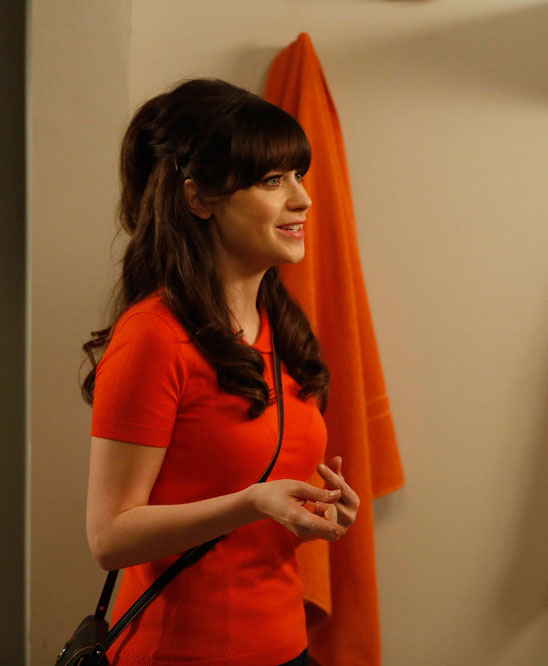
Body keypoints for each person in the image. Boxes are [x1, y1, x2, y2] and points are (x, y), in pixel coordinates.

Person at [81, 78, 361, 666]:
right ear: (199, 199)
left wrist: (314, 510)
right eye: (272, 180)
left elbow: (262, 496)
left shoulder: (283, 328)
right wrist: (251, 503)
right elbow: (109, 538)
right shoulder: (154, 335)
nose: (303, 199)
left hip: (288, 647)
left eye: (299, 175)